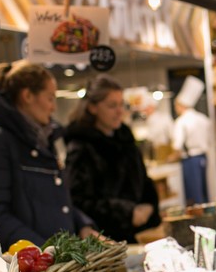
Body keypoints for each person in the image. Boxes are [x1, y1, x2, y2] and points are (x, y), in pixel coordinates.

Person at [0, 61, 97, 251]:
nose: (53, 107)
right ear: (28, 96)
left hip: (55, 270)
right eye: (50, 98)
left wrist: (83, 225)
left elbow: (54, 201)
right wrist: (48, 252)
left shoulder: (42, 140)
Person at [64, 75, 162, 243]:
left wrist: (148, 205)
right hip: (104, 243)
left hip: (137, 236)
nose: (119, 111)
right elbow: (79, 202)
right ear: (93, 108)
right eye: (112, 106)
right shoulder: (81, 148)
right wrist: (127, 212)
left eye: (121, 105)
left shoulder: (126, 140)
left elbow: (144, 181)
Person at [171, 76, 212, 205]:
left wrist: (170, 158)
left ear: (180, 105)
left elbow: (177, 146)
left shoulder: (181, 121)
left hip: (190, 160)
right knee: (205, 192)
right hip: (203, 157)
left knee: (195, 196)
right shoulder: (203, 118)